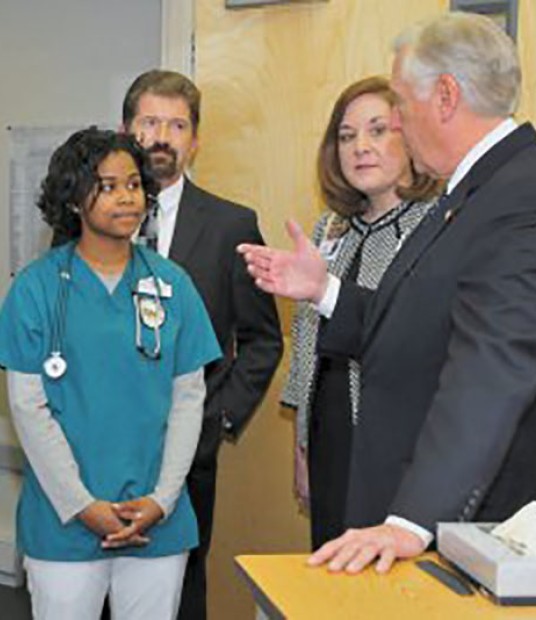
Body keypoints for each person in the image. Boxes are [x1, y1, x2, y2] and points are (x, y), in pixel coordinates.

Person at [239, 12, 536, 575]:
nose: (399, 126)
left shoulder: (521, 199)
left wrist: (412, 520)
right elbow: (419, 322)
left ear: (447, 97)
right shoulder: (475, 193)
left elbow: (493, 370)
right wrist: (325, 290)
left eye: (401, 107)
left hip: (472, 533)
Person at [0, 127, 221, 620]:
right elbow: (28, 408)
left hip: (156, 522)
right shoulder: (35, 290)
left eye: (133, 184)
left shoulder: (171, 284)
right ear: (74, 199)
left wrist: (162, 499)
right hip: (65, 523)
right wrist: (83, 506)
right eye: (106, 185)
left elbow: (189, 399)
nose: (126, 196)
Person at [121, 70, 283, 619]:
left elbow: (263, 340)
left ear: (196, 140)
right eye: (149, 122)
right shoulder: (84, 222)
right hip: (96, 452)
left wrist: (220, 420)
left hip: (189, 454)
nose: (162, 136)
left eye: (177, 124)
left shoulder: (231, 225)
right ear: (127, 131)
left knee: (181, 588)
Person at [280, 76, 439, 550]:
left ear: (411, 136)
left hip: (401, 442)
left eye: (377, 130)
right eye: (347, 136)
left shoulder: (435, 226)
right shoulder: (330, 226)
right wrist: (303, 442)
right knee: (333, 564)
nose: (360, 148)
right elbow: (308, 335)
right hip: (329, 426)